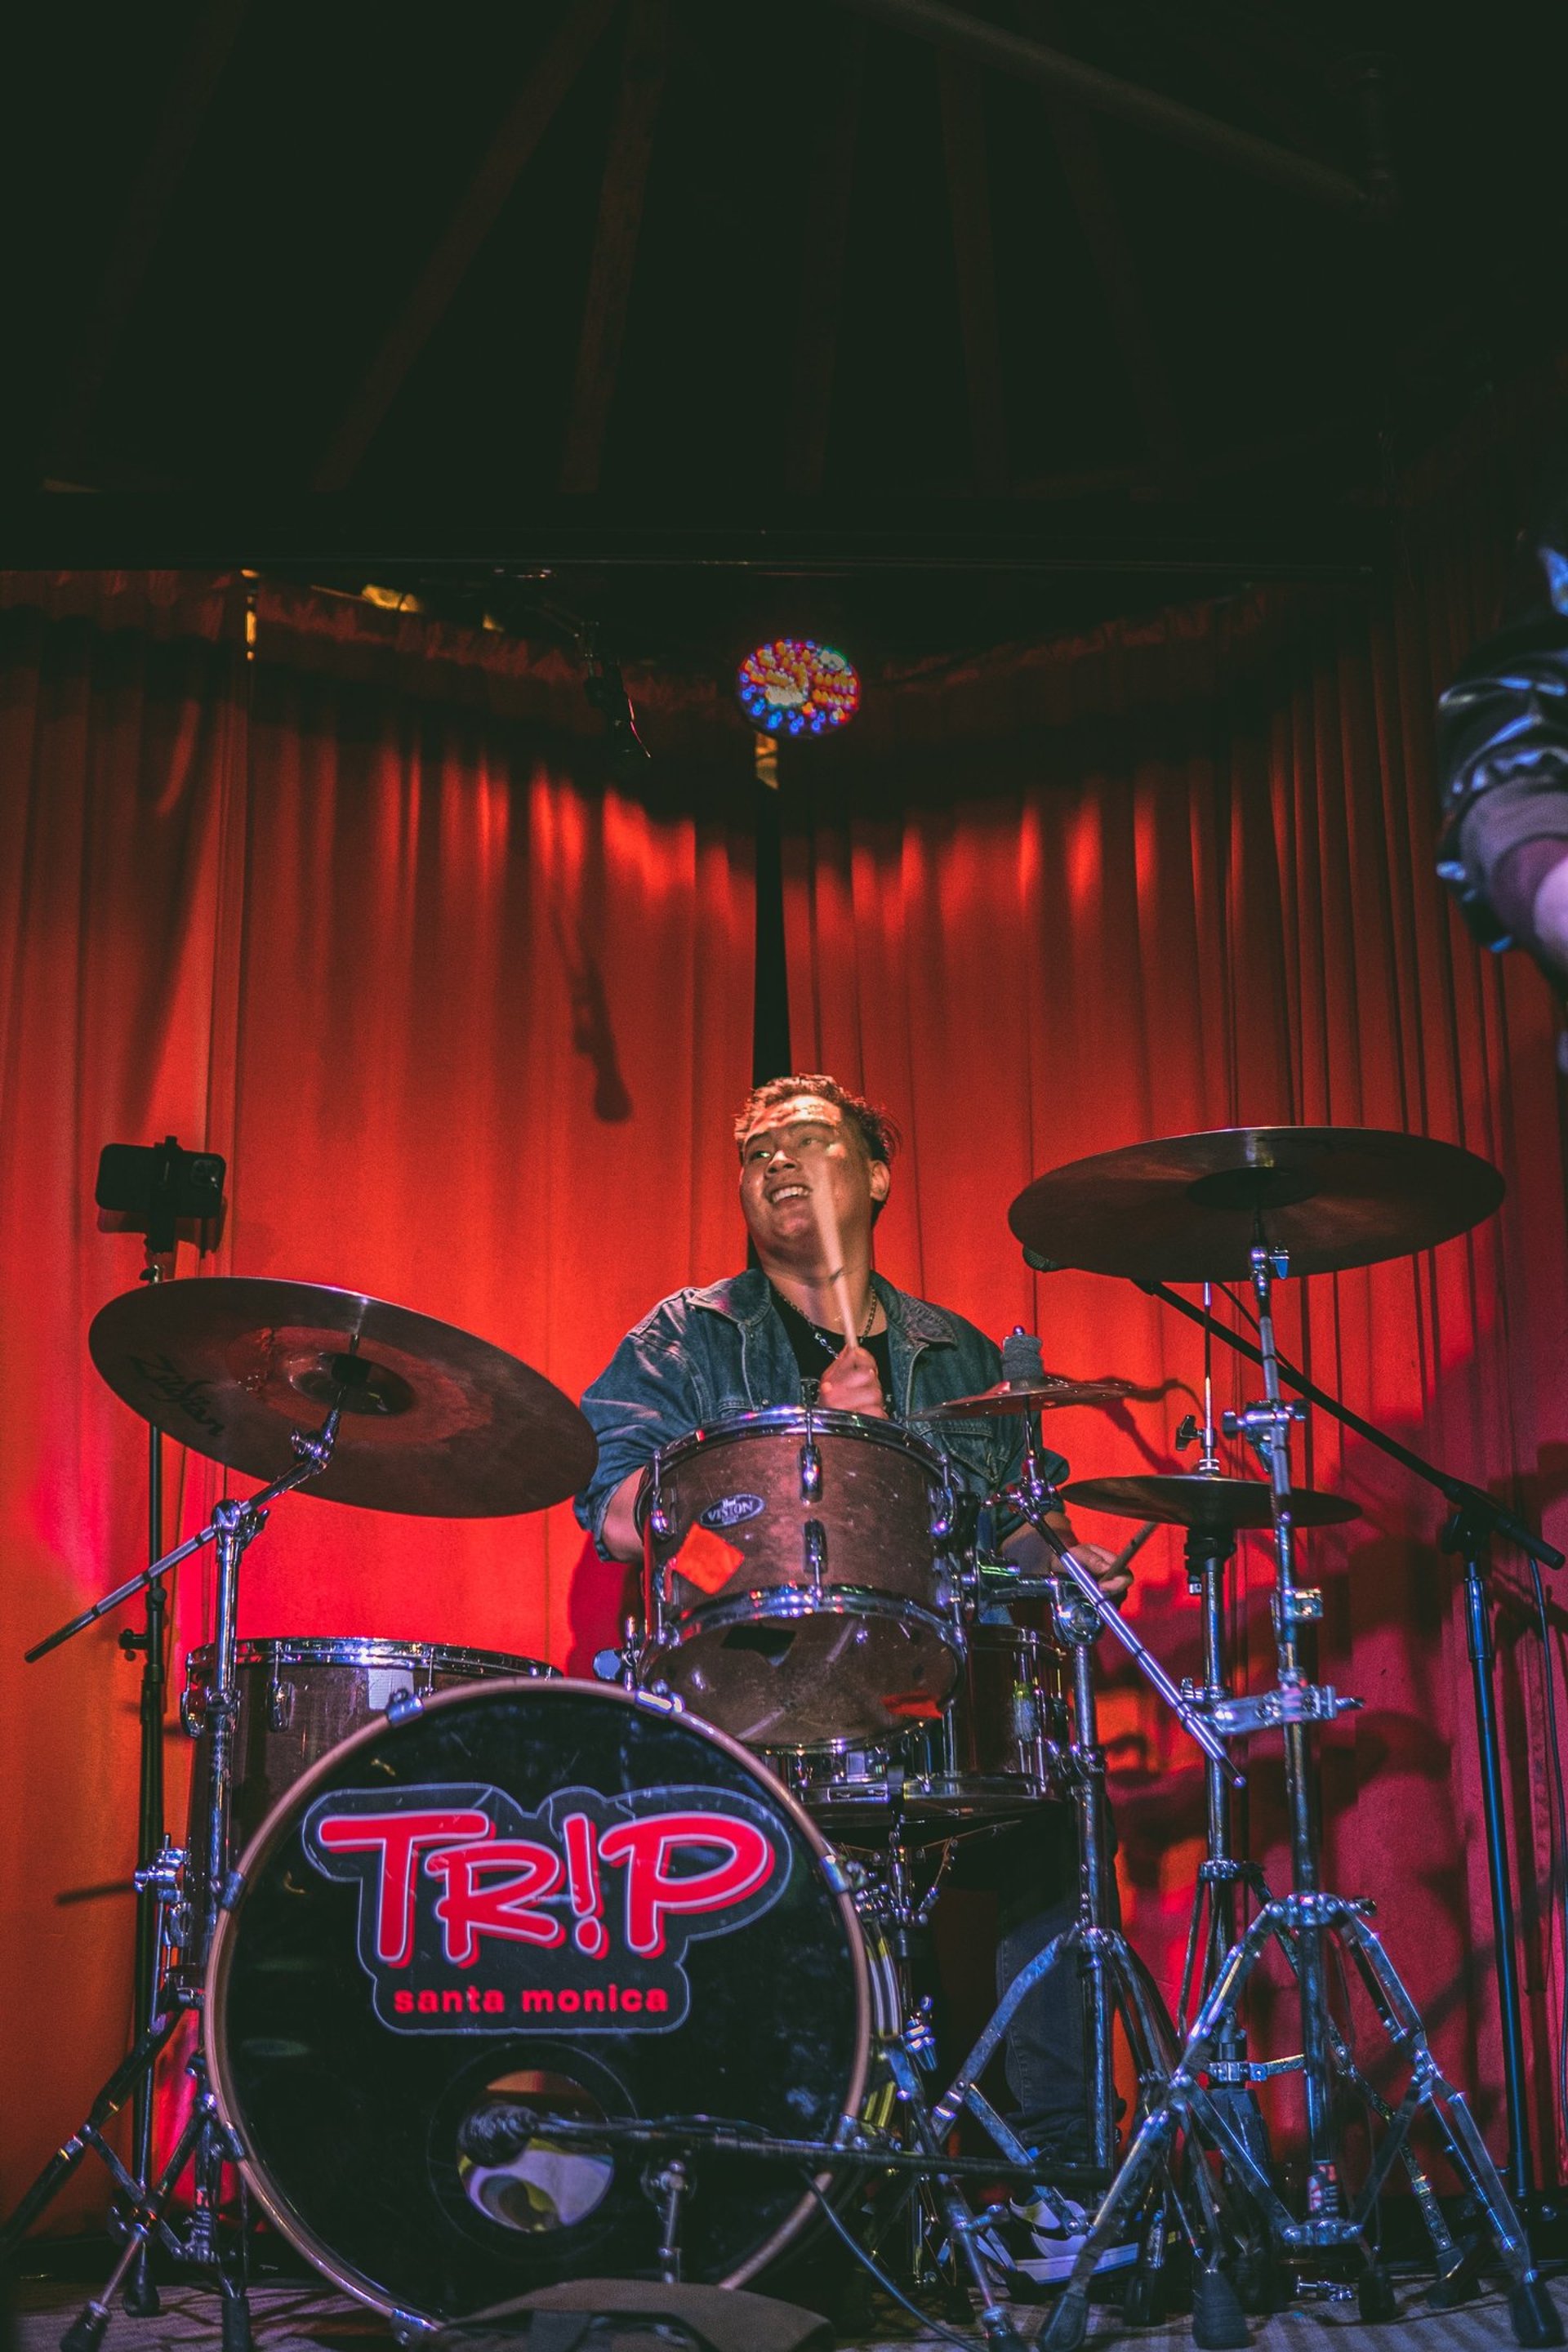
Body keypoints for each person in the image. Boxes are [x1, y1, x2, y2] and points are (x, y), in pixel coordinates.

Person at [573, 1073, 1136, 2283]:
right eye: (756, 1153)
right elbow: (618, 1514)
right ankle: (747, 2192)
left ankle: (1064, 2181)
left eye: (808, 1141)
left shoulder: (956, 1352)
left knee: (1056, 1819)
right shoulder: (685, 1336)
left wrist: (1067, 1556)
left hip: (925, 1701)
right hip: (753, 1698)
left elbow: (1006, 1526)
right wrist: (805, 1450)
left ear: (875, 1177)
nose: (778, 1164)